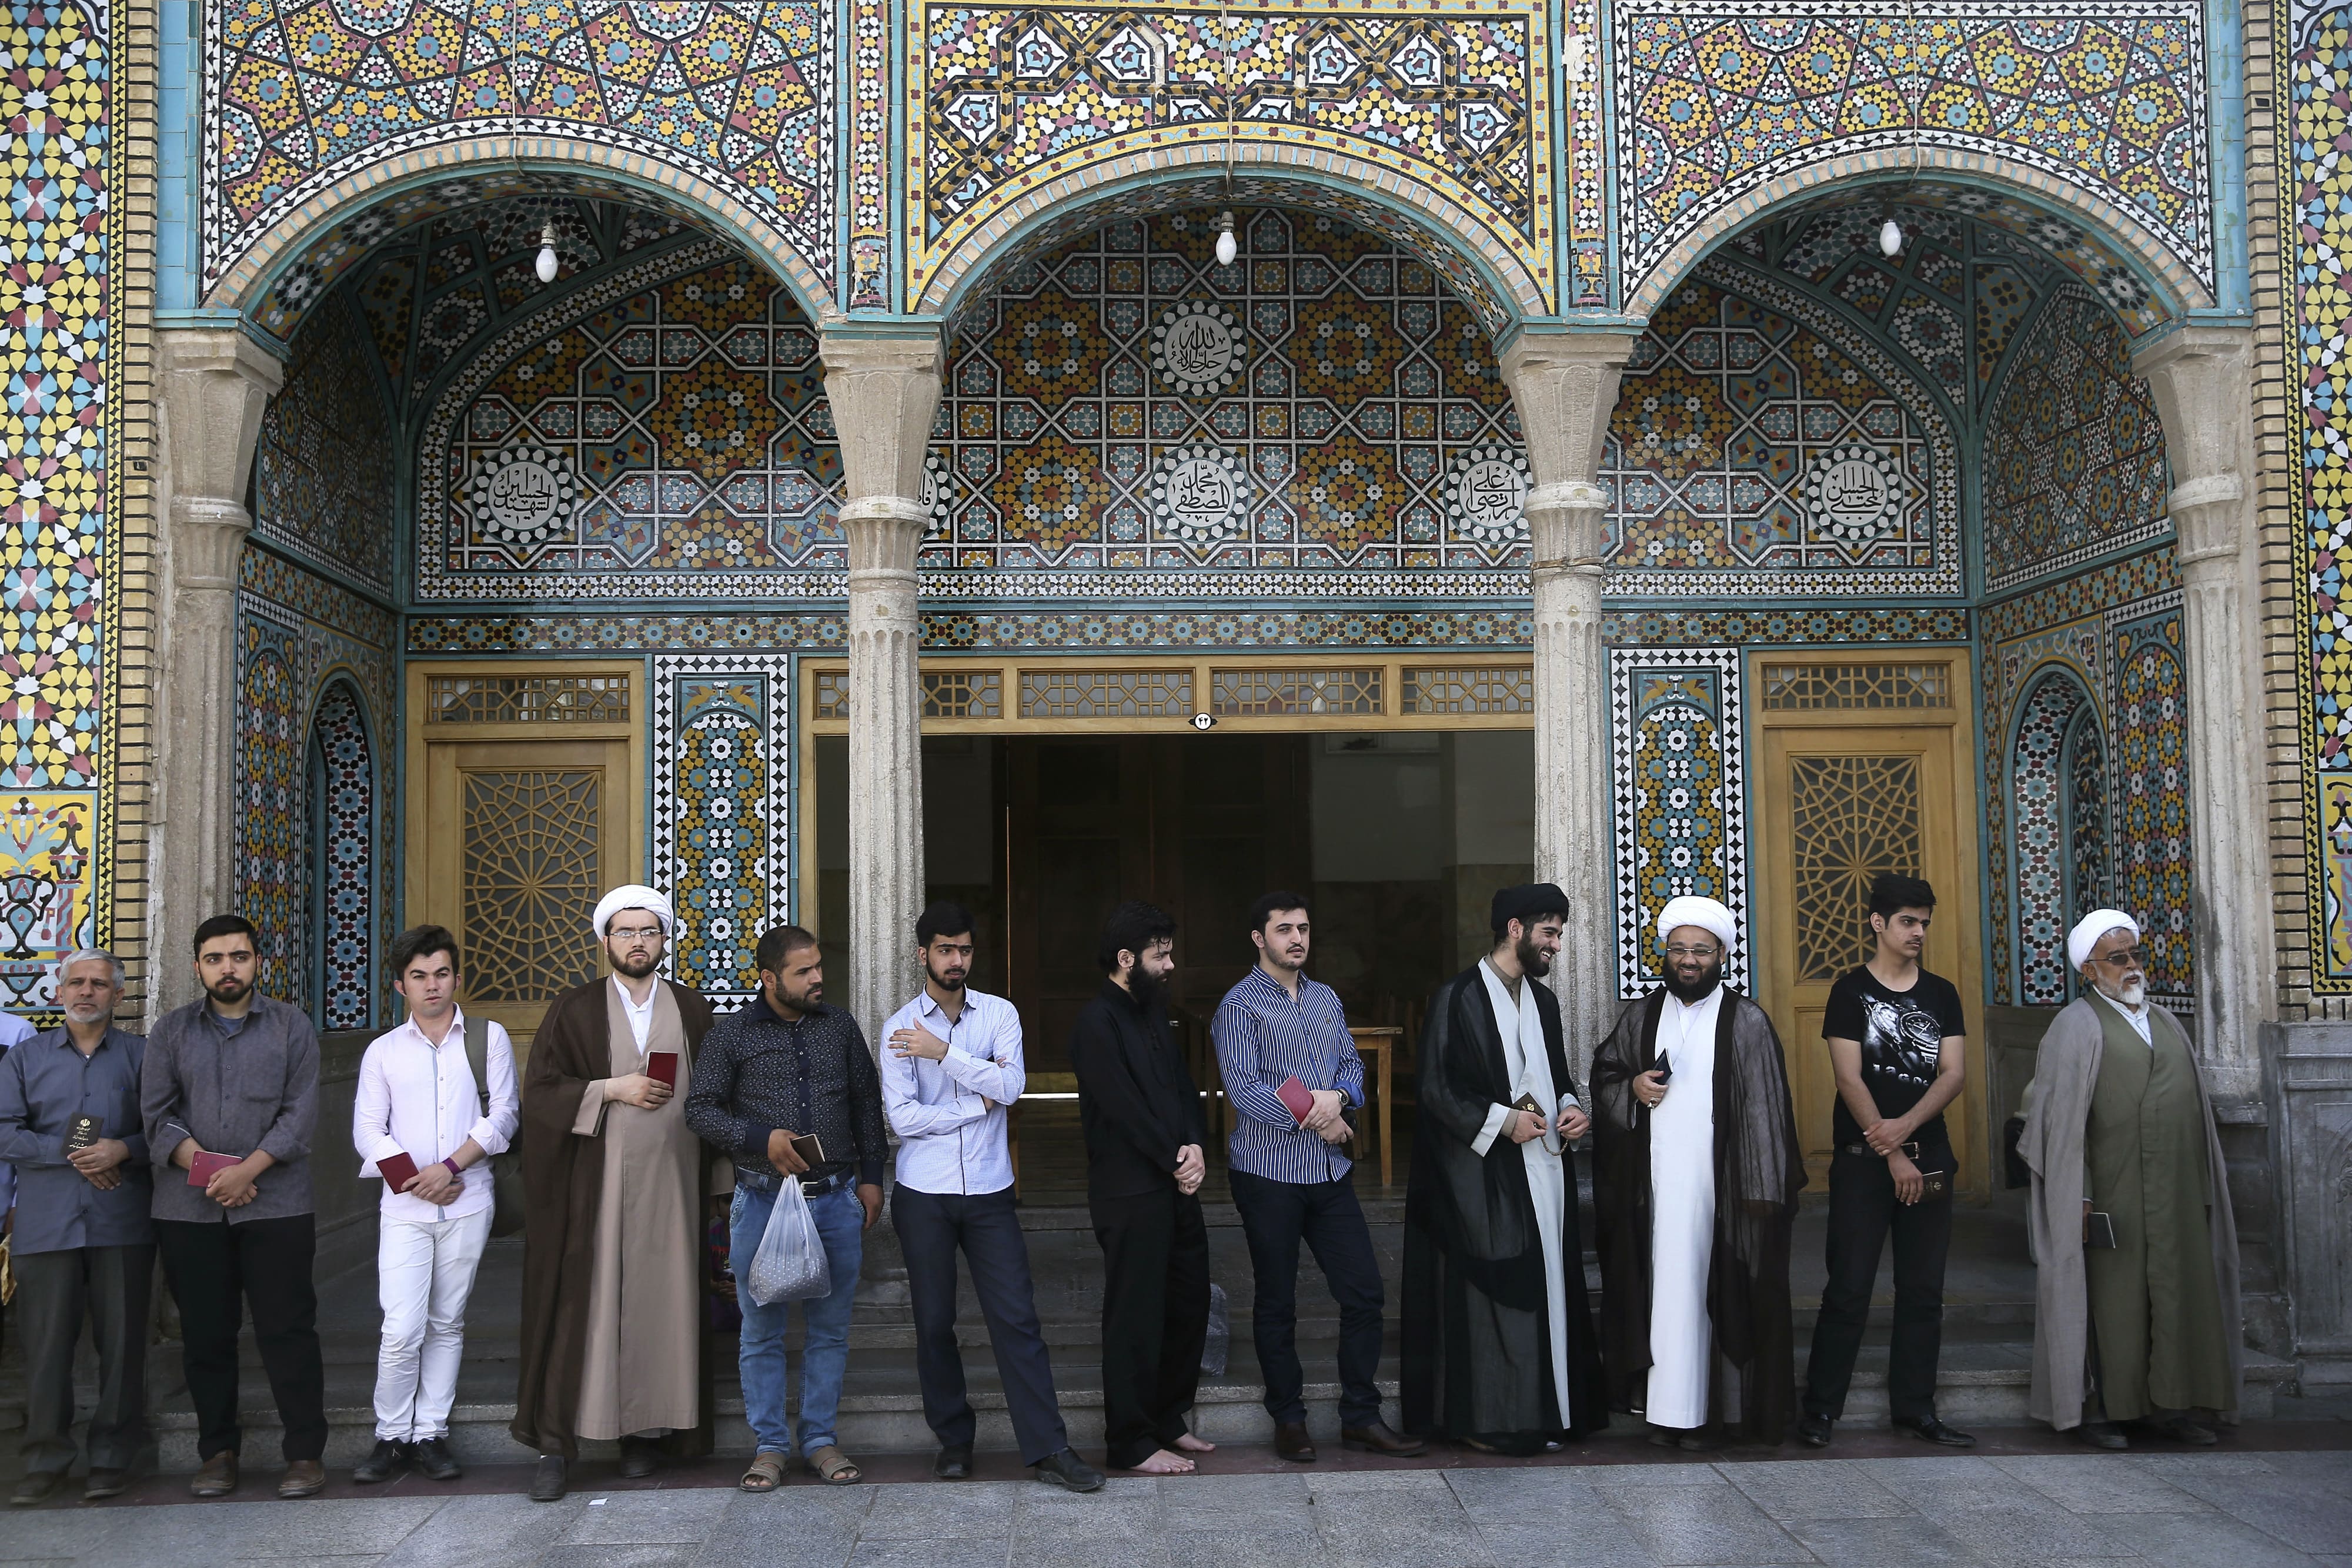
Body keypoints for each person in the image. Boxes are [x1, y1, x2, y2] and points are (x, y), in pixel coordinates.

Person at [881, 901, 1103, 1492]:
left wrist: (944, 1056)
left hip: (988, 1191)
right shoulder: (899, 1027)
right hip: (922, 1194)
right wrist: (970, 1103)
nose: (956, 961)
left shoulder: (998, 1015)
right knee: (933, 1323)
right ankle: (953, 1441)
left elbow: (1010, 1086)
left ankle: (1048, 1448)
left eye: (965, 950)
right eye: (945, 950)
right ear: (922, 954)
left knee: (1016, 1319)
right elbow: (902, 1121)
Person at [513, 885, 721, 1502]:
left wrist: (720, 1185)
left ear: (664, 941)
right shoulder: (573, 1009)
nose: (637, 942)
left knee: (664, 1306)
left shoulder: (691, 1007)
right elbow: (543, 1092)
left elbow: (714, 1098)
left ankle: (645, 1436)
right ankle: (559, 1441)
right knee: (584, 1304)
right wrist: (610, 1089)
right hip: (594, 1185)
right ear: (605, 942)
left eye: (648, 932)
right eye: (625, 932)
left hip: (673, 1186)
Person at [1212, 891, 1423, 1463]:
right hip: (1268, 1175)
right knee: (1277, 1300)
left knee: (1364, 1293)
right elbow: (1246, 1089)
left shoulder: (1326, 999)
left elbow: (1352, 1066)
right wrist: (1317, 1120)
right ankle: (1289, 1418)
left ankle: (1360, 1415)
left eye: (1303, 929)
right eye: (1284, 930)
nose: (1297, 939)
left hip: (1328, 1175)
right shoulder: (1239, 1007)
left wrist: (1336, 1099)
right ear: (1259, 939)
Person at [2020, 910, 2240, 1449]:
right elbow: (2059, 1123)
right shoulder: (2075, 1026)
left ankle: (2174, 1405)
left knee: (2179, 1295)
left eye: (2135, 955)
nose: (2131, 967)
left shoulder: (2166, 1022)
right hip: (2112, 1191)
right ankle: (2104, 1410)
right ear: (2089, 970)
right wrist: (2081, 1191)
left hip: (2177, 1191)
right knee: (2115, 1304)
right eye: (2116, 958)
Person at [1590, 895, 1803, 1449]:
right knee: (1662, 1293)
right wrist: (1632, 1087)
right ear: (1665, 953)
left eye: (1701, 951)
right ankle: (1665, 1414)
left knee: (1714, 1293)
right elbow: (1606, 1074)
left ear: (1722, 956)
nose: (1689, 960)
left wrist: (1760, 1194)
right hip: (1655, 1189)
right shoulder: (1639, 1015)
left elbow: (1767, 1110)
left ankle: (1712, 1416)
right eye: (1679, 949)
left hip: (1722, 1190)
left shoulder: (1748, 1020)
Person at [1402, 884, 1607, 1454]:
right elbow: (1437, 1090)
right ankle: (1494, 1420)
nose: (1557, 946)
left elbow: (1557, 1078)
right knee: (1495, 1292)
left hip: (1543, 1171)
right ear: (1514, 928)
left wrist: (1569, 1109)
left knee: (1546, 1287)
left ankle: (1549, 1414)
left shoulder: (1543, 1003)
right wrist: (1500, 1121)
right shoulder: (1457, 996)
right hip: (1483, 1179)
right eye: (1550, 933)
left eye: (1560, 934)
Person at [685, 923, 886, 1492]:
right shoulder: (732, 1037)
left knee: (829, 1333)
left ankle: (820, 1441)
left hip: (836, 1202)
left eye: (819, 966)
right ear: (770, 978)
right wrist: (759, 1137)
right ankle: (770, 1446)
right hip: (762, 1203)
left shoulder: (840, 1027)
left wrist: (872, 1181)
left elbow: (866, 1105)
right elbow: (699, 1109)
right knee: (761, 1333)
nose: (818, 977)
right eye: (804, 971)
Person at [141, 914, 329, 1499]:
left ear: (257, 963)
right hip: (190, 1212)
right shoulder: (170, 1033)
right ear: (197, 965)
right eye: (216, 958)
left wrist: (247, 1171)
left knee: (288, 1331)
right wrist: (218, 1174)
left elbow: (300, 1114)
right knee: (206, 1335)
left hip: (276, 1206)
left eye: (239, 957)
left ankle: (303, 1454)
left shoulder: (290, 1027)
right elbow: (156, 1118)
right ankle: (217, 1452)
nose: (229, 968)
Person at [1800, 874, 1973, 1449]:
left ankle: (1915, 1410)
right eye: (1907, 921)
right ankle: (1820, 1411)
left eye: (1924, 921)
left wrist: (1907, 1133)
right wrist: (1891, 1150)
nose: (1918, 931)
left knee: (1922, 1290)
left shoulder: (1941, 994)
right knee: (1848, 1288)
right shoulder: (1849, 992)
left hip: (1929, 1160)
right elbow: (1847, 1078)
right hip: (1863, 1165)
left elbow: (1952, 1073)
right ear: (1878, 923)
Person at [350, 925, 519, 1486]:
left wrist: (449, 1169)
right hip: (404, 1210)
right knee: (401, 1327)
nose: (432, 986)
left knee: (448, 1322)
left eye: (442, 973)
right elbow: (369, 1132)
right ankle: (391, 1434)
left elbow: (503, 1118)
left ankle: (431, 1433)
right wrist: (415, 1181)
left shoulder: (488, 1038)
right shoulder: (383, 1051)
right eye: (419, 976)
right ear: (401, 985)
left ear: (456, 978)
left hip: (468, 1200)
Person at [1067, 901, 1214, 1474]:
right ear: (1126, 959)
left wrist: (1196, 1145)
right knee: (1135, 1315)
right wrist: (1173, 1157)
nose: (1170, 964)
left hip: (1175, 1183)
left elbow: (1182, 1089)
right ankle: (1130, 1440)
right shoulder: (1093, 1023)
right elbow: (1123, 1107)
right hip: (1128, 1191)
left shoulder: (1154, 1014)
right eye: (1161, 955)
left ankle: (1167, 1418)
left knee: (1187, 1302)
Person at [0, 951, 151, 1505]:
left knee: (123, 1343)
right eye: (77, 983)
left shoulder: (142, 1056)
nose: (87, 991)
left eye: (100, 984)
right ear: (58, 992)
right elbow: (3, 1131)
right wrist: (73, 1152)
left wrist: (123, 1148)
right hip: (46, 1223)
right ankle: (45, 1458)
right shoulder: (26, 1058)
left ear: (118, 995)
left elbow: (167, 1126)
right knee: (45, 1347)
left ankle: (113, 1457)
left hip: (122, 1220)